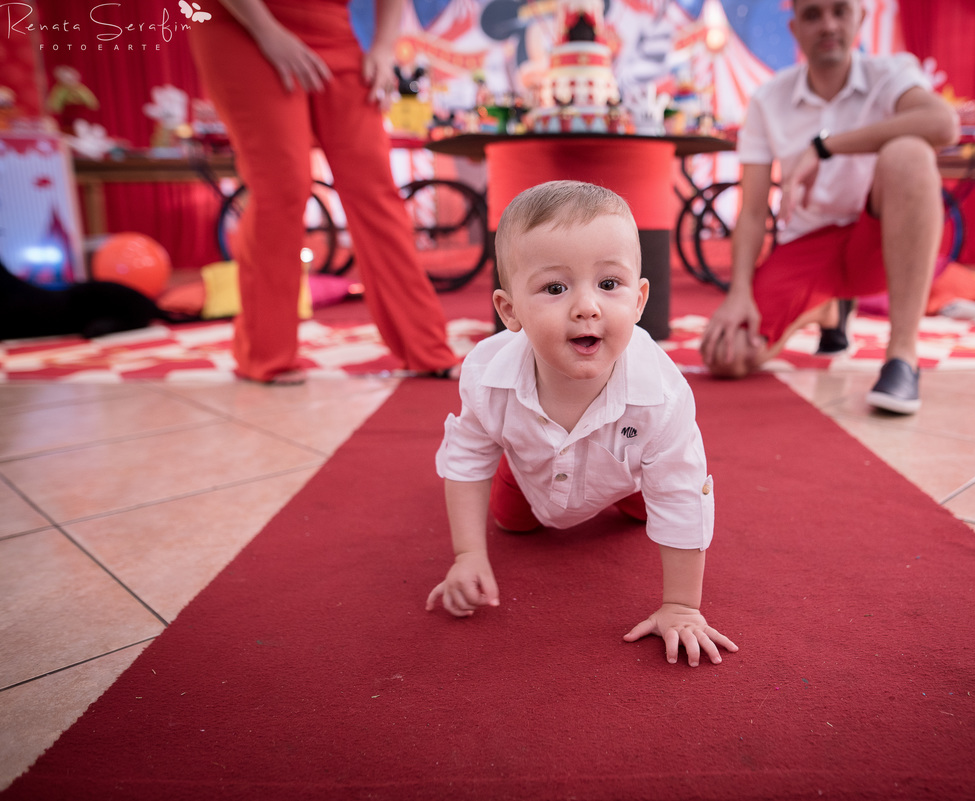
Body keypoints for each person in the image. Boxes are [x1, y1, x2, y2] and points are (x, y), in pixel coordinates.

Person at [426, 181, 737, 668]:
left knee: (650, 504)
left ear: (638, 301)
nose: (587, 307)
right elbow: (467, 458)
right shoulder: (488, 377)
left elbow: (679, 491)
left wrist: (681, 606)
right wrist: (468, 553)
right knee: (510, 521)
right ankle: (524, 493)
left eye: (609, 285)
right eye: (555, 288)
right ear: (510, 311)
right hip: (529, 471)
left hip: (628, 473)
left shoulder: (662, 394)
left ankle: (630, 496)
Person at [699, 0, 960, 414]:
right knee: (726, 355)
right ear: (794, 28)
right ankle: (826, 309)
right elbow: (750, 213)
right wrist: (739, 293)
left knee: (910, 153)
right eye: (813, 14)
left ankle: (902, 357)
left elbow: (944, 125)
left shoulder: (892, 72)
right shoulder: (768, 98)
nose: (829, 25)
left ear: (861, 18)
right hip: (808, 244)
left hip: (876, 240)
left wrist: (825, 147)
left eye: (840, 11)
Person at [190, 0, 459, 384]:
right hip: (245, 24)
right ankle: (265, 354)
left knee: (375, 189)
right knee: (283, 188)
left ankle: (426, 349)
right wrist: (268, 33)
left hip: (333, 31)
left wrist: (382, 49)